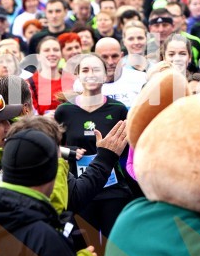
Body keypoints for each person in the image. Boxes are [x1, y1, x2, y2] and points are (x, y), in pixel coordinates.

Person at [55, 53, 132, 238]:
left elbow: (127, 151)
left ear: (105, 76)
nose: (91, 74)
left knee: (113, 247)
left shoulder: (118, 109)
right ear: (79, 76)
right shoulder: (64, 111)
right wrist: (69, 152)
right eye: (85, 70)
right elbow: (54, 149)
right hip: (80, 191)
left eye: (96, 70)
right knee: (86, 248)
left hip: (112, 190)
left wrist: (109, 150)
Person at [95, 37, 147, 108]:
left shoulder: (141, 79)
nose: (110, 62)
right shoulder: (83, 85)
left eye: (114, 56)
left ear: (121, 56)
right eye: (104, 57)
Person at [30, 36, 64, 116]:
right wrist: (44, 119)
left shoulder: (72, 81)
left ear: (61, 54)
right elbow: (27, 117)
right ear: (38, 57)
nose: (52, 53)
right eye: (46, 50)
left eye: (56, 50)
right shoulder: (29, 84)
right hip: (42, 127)